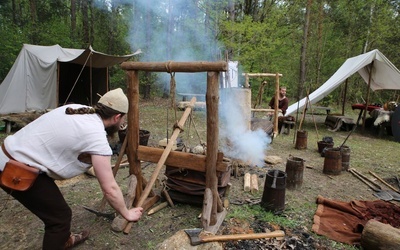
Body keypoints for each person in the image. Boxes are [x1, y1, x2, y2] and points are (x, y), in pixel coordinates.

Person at [0, 88, 143, 249]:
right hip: (16, 170)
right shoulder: (96, 137)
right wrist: (126, 213)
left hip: (8, 154)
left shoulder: (76, 109)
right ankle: (60, 241)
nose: (122, 123)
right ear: (117, 117)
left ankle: (64, 240)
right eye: (122, 119)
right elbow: (110, 189)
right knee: (59, 219)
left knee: (57, 209)